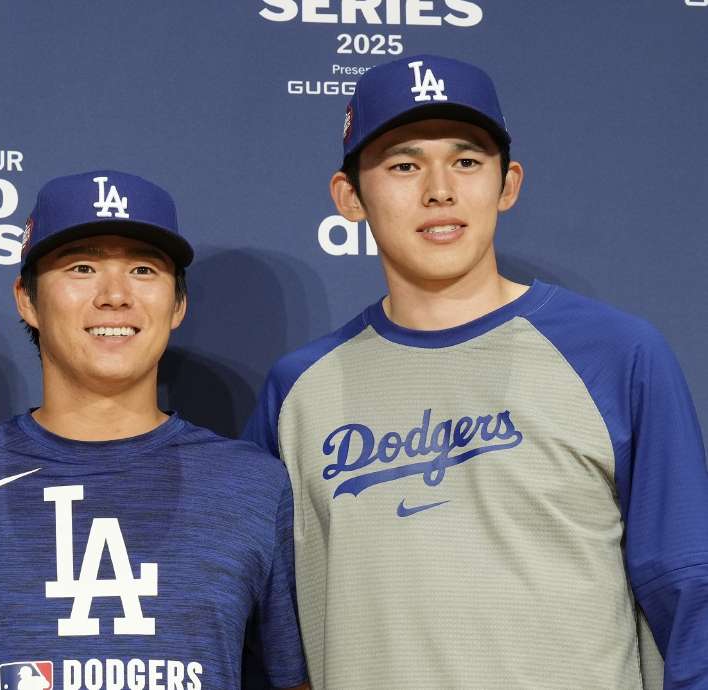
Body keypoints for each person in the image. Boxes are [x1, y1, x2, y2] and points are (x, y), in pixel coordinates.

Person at [243, 54, 708, 688]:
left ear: (507, 184)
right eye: (404, 164)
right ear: (349, 197)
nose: (440, 189)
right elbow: (270, 635)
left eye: (466, 161)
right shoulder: (297, 390)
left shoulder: (618, 353)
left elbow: (689, 595)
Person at [0, 171, 308, 690]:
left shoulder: (254, 487)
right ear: (27, 299)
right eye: (82, 267)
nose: (115, 295)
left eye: (143, 269)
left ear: (178, 304)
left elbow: (291, 679)